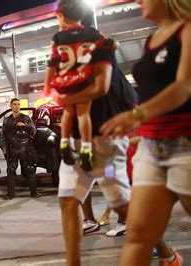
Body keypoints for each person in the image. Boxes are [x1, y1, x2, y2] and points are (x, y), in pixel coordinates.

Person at [100, 0, 191, 265]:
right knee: (138, 236)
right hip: (152, 148)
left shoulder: (187, 30)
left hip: (186, 143)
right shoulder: (152, 39)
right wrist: (140, 127)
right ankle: (171, 260)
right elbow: (152, 92)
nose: (139, 1)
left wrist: (137, 115)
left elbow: (184, 86)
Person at [44, 0, 118, 172]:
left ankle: (64, 143)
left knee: (68, 112)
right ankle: (85, 148)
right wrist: (114, 43)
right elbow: (109, 43)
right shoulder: (91, 33)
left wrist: (47, 85)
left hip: (63, 81)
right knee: (83, 113)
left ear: (61, 16)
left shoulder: (58, 37)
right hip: (82, 78)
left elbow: (52, 63)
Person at [0, 98, 38, 199]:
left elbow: (34, 131)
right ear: (11, 106)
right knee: (11, 171)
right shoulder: (7, 120)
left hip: (25, 148)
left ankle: (34, 192)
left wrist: (25, 126)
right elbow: (3, 135)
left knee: (29, 170)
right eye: (15, 104)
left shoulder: (26, 118)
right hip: (12, 149)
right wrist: (3, 147)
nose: (17, 106)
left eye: (18, 104)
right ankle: (10, 194)